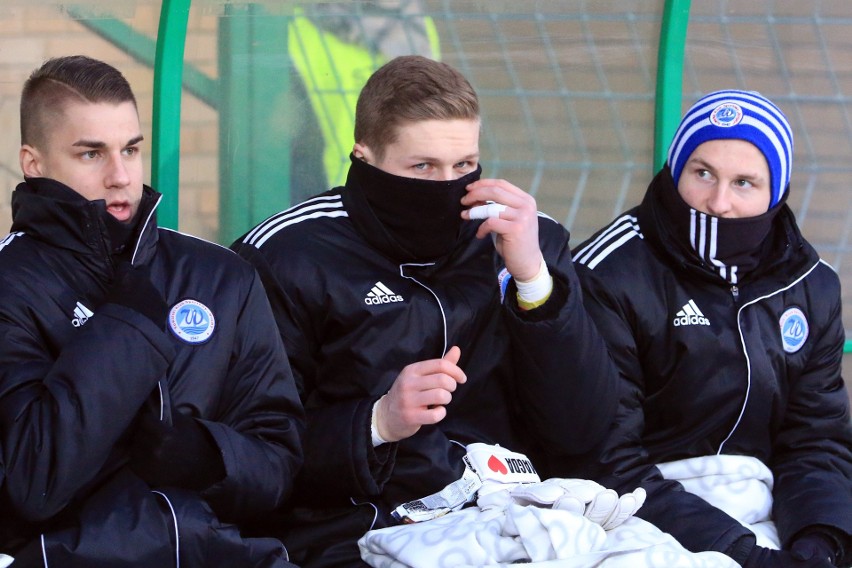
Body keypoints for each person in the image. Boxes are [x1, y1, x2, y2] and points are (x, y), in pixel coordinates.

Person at [232, 54, 620, 567]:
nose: (447, 186)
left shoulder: (523, 237)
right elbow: (252, 454)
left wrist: (534, 282)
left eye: (463, 166)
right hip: (358, 531)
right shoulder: (288, 255)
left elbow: (585, 431)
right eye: (422, 167)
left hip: (516, 515)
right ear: (364, 157)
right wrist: (376, 423)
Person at [0, 55, 305, 566]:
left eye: (131, 150)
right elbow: (31, 481)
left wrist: (211, 458)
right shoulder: (10, 285)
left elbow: (280, 461)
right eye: (91, 154)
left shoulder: (220, 276)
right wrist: (127, 325)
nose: (121, 176)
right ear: (35, 163)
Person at [572, 89, 852, 567]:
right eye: (702, 173)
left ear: (776, 192)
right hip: (640, 514)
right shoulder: (607, 272)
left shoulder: (811, 285)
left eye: (745, 182)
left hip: (768, 506)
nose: (718, 203)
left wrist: (820, 542)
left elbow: (815, 439)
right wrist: (744, 554)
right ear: (675, 169)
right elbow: (604, 456)